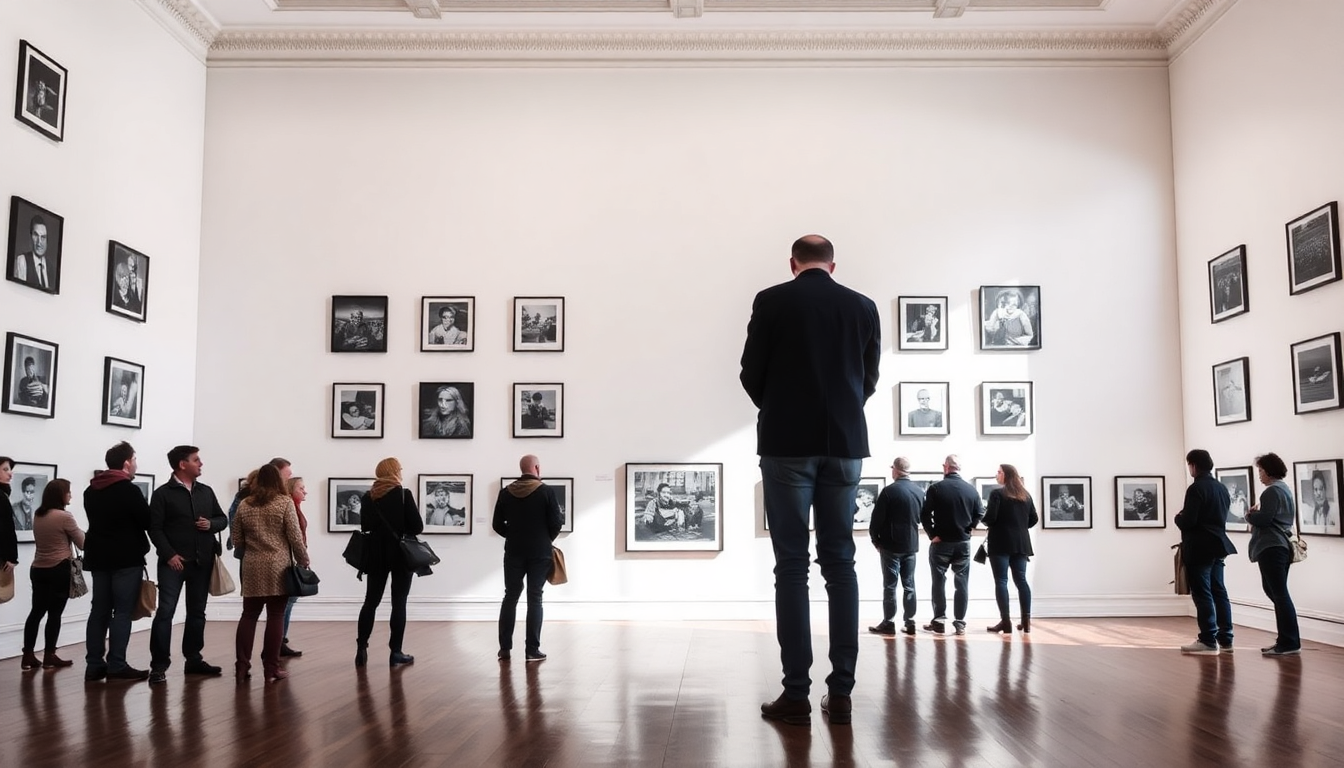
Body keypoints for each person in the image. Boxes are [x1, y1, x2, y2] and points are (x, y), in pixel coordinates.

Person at [740, 234, 880, 727]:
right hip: (845, 444)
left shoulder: (772, 300)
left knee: (792, 566)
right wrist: (839, 411)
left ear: (793, 263)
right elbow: (869, 379)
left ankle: (795, 693)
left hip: (785, 443)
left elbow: (750, 373)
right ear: (833, 265)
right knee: (841, 564)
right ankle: (840, 692)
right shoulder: (862, 307)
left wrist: (779, 408)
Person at [147, 445, 229, 684]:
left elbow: (222, 519)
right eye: (196, 460)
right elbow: (154, 528)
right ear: (182, 464)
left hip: (201, 562)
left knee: (197, 613)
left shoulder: (206, 491)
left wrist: (211, 525)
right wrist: (169, 554)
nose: (200, 463)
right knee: (165, 613)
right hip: (173, 564)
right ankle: (159, 666)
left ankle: (193, 659)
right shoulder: (163, 494)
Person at [83, 442, 153, 682]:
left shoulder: (90, 491)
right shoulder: (129, 490)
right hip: (125, 558)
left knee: (99, 610)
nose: (136, 464)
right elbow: (146, 520)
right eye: (134, 459)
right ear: (126, 463)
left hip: (98, 557)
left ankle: (93, 665)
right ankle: (117, 665)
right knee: (122, 612)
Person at [233, 465, 309, 681]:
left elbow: (237, 540)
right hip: (278, 566)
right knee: (275, 616)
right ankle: (271, 669)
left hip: (252, 565)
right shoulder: (284, 503)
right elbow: (295, 537)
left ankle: (241, 667)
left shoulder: (245, 504)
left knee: (248, 616)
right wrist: (303, 558)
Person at [493, 454, 564, 663]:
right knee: (535, 598)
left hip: (514, 550)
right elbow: (556, 523)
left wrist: (514, 535)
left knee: (510, 596)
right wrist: (544, 538)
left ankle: (504, 648)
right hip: (540, 552)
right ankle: (532, 649)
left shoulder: (506, 493)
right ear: (537, 468)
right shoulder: (547, 492)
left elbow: (497, 524)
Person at [356, 458, 424, 668]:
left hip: (376, 554)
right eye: (399, 469)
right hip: (401, 555)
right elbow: (418, 526)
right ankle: (396, 652)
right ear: (393, 472)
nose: (401, 472)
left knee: (370, 602)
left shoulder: (369, 497)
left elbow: (365, 526)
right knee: (399, 602)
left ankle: (361, 649)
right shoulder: (403, 495)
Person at [1175, 449, 1237, 655]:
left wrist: (1178, 518)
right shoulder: (1220, 488)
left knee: (1203, 593)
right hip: (1218, 545)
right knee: (1219, 591)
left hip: (1200, 547)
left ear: (1193, 465)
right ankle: (1226, 638)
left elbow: (1189, 521)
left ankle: (1208, 640)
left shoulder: (1196, 489)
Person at [21, 479, 84, 670]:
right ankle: (49, 655)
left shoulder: (38, 515)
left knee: (36, 612)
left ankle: (28, 656)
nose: (70, 495)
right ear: (60, 495)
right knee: (55, 614)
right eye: (68, 492)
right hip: (59, 568)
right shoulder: (64, 516)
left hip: (38, 568)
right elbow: (82, 543)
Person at [919, 455, 984, 636]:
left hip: (941, 542)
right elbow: (980, 513)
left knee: (938, 581)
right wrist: (970, 528)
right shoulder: (971, 490)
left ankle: (939, 621)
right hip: (962, 543)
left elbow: (924, 515)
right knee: (961, 583)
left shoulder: (936, 488)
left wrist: (932, 534)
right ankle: (960, 623)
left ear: (945, 467)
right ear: (959, 468)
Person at [1245, 452, 1301, 656]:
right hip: (1281, 546)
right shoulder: (1284, 489)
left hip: (1271, 546)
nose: (1259, 475)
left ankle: (1289, 642)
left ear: (1269, 471)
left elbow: (1265, 520)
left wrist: (1250, 515)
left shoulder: (1270, 492)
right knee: (1277, 592)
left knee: (1278, 593)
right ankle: (1286, 639)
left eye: (1260, 470)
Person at [868, 457, 923, 637]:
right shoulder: (918, 491)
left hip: (890, 545)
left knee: (890, 585)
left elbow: (876, 519)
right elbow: (921, 517)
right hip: (911, 544)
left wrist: (875, 540)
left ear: (897, 470)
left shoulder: (889, 492)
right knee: (909, 585)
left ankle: (889, 622)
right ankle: (910, 622)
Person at [982, 464, 1038, 634]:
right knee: (1021, 580)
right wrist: (1019, 527)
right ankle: (1026, 621)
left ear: (1006, 475)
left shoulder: (997, 494)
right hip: (1021, 543)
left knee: (1001, 581)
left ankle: (1006, 622)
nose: (996, 475)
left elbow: (990, 518)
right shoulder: (1025, 495)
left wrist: (985, 520)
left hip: (1000, 542)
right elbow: (1034, 519)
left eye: (998, 472)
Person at [281, 476, 310, 657]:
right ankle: (279, 641)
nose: (304, 491)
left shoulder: (295, 507)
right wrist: (302, 557)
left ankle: (281, 640)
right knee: (287, 601)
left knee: (289, 601)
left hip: (295, 558)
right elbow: (294, 537)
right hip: (290, 560)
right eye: (301, 488)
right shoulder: (289, 507)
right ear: (291, 490)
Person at [12, 214, 56, 292]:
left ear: (47, 240)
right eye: (36, 235)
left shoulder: (51, 268)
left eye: (43, 237)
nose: (39, 242)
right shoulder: (22, 261)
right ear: (30, 237)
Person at [0, 457, 17, 576]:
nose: (10, 474)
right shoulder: (1, 497)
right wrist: (11, 557)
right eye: (5, 469)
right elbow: (6, 528)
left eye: (10, 470)